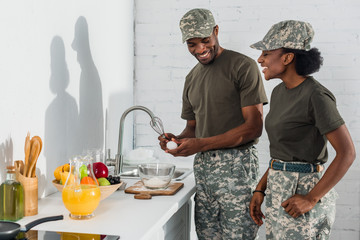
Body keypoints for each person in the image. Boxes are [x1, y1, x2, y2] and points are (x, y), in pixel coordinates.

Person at [158, 8, 268, 239]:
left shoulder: (242, 66)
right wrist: (177, 141)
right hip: (204, 171)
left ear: (216, 31)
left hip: (237, 168)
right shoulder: (191, 78)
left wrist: (201, 144)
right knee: (206, 236)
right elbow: (193, 129)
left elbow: (253, 128)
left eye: (205, 40)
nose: (200, 49)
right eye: (191, 44)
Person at [249, 20, 356, 239]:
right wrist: (261, 189)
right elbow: (284, 152)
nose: (260, 59)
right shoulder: (279, 93)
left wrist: (311, 198)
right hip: (277, 188)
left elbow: (347, 153)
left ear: (288, 58)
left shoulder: (316, 96)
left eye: (267, 53)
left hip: (302, 191)